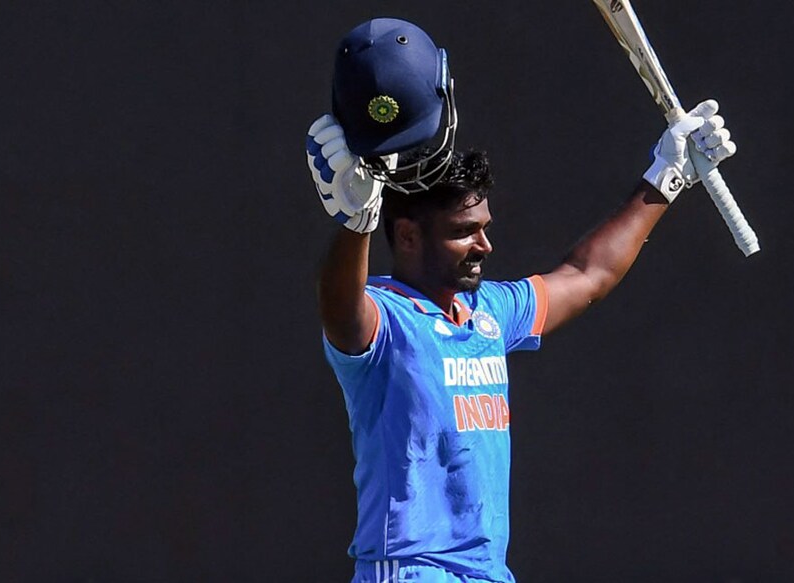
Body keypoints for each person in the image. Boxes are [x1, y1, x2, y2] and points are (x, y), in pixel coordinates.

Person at [307, 18, 736, 583]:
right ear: (407, 236)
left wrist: (667, 175)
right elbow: (341, 311)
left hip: (488, 573)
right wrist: (356, 221)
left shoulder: (489, 313)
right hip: (411, 572)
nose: (484, 245)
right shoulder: (386, 319)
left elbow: (587, 274)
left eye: (484, 227)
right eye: (464, 232)